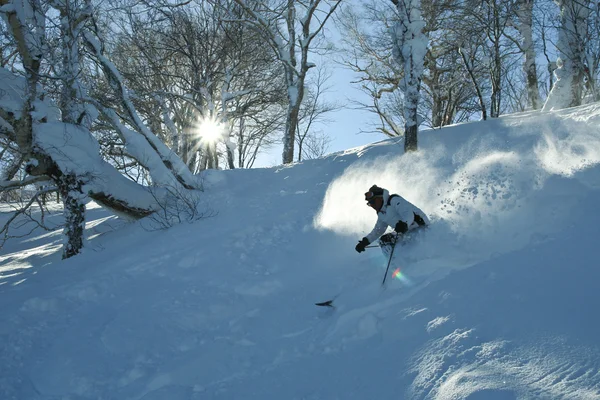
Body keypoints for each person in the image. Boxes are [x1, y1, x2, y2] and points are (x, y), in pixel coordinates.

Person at [355, 184, 429, 257]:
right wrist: (365, 242)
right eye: (369, 204)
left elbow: (408, 214)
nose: (372, 206)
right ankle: (399, 262)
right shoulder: (381, 213)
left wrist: (404, 224)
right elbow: (378, 230)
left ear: (380, 198)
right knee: (384, 240)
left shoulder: (393, 200)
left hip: (421, 228)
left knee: (390, 239)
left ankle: (413, 257)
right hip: (408, 234)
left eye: (373, 202)